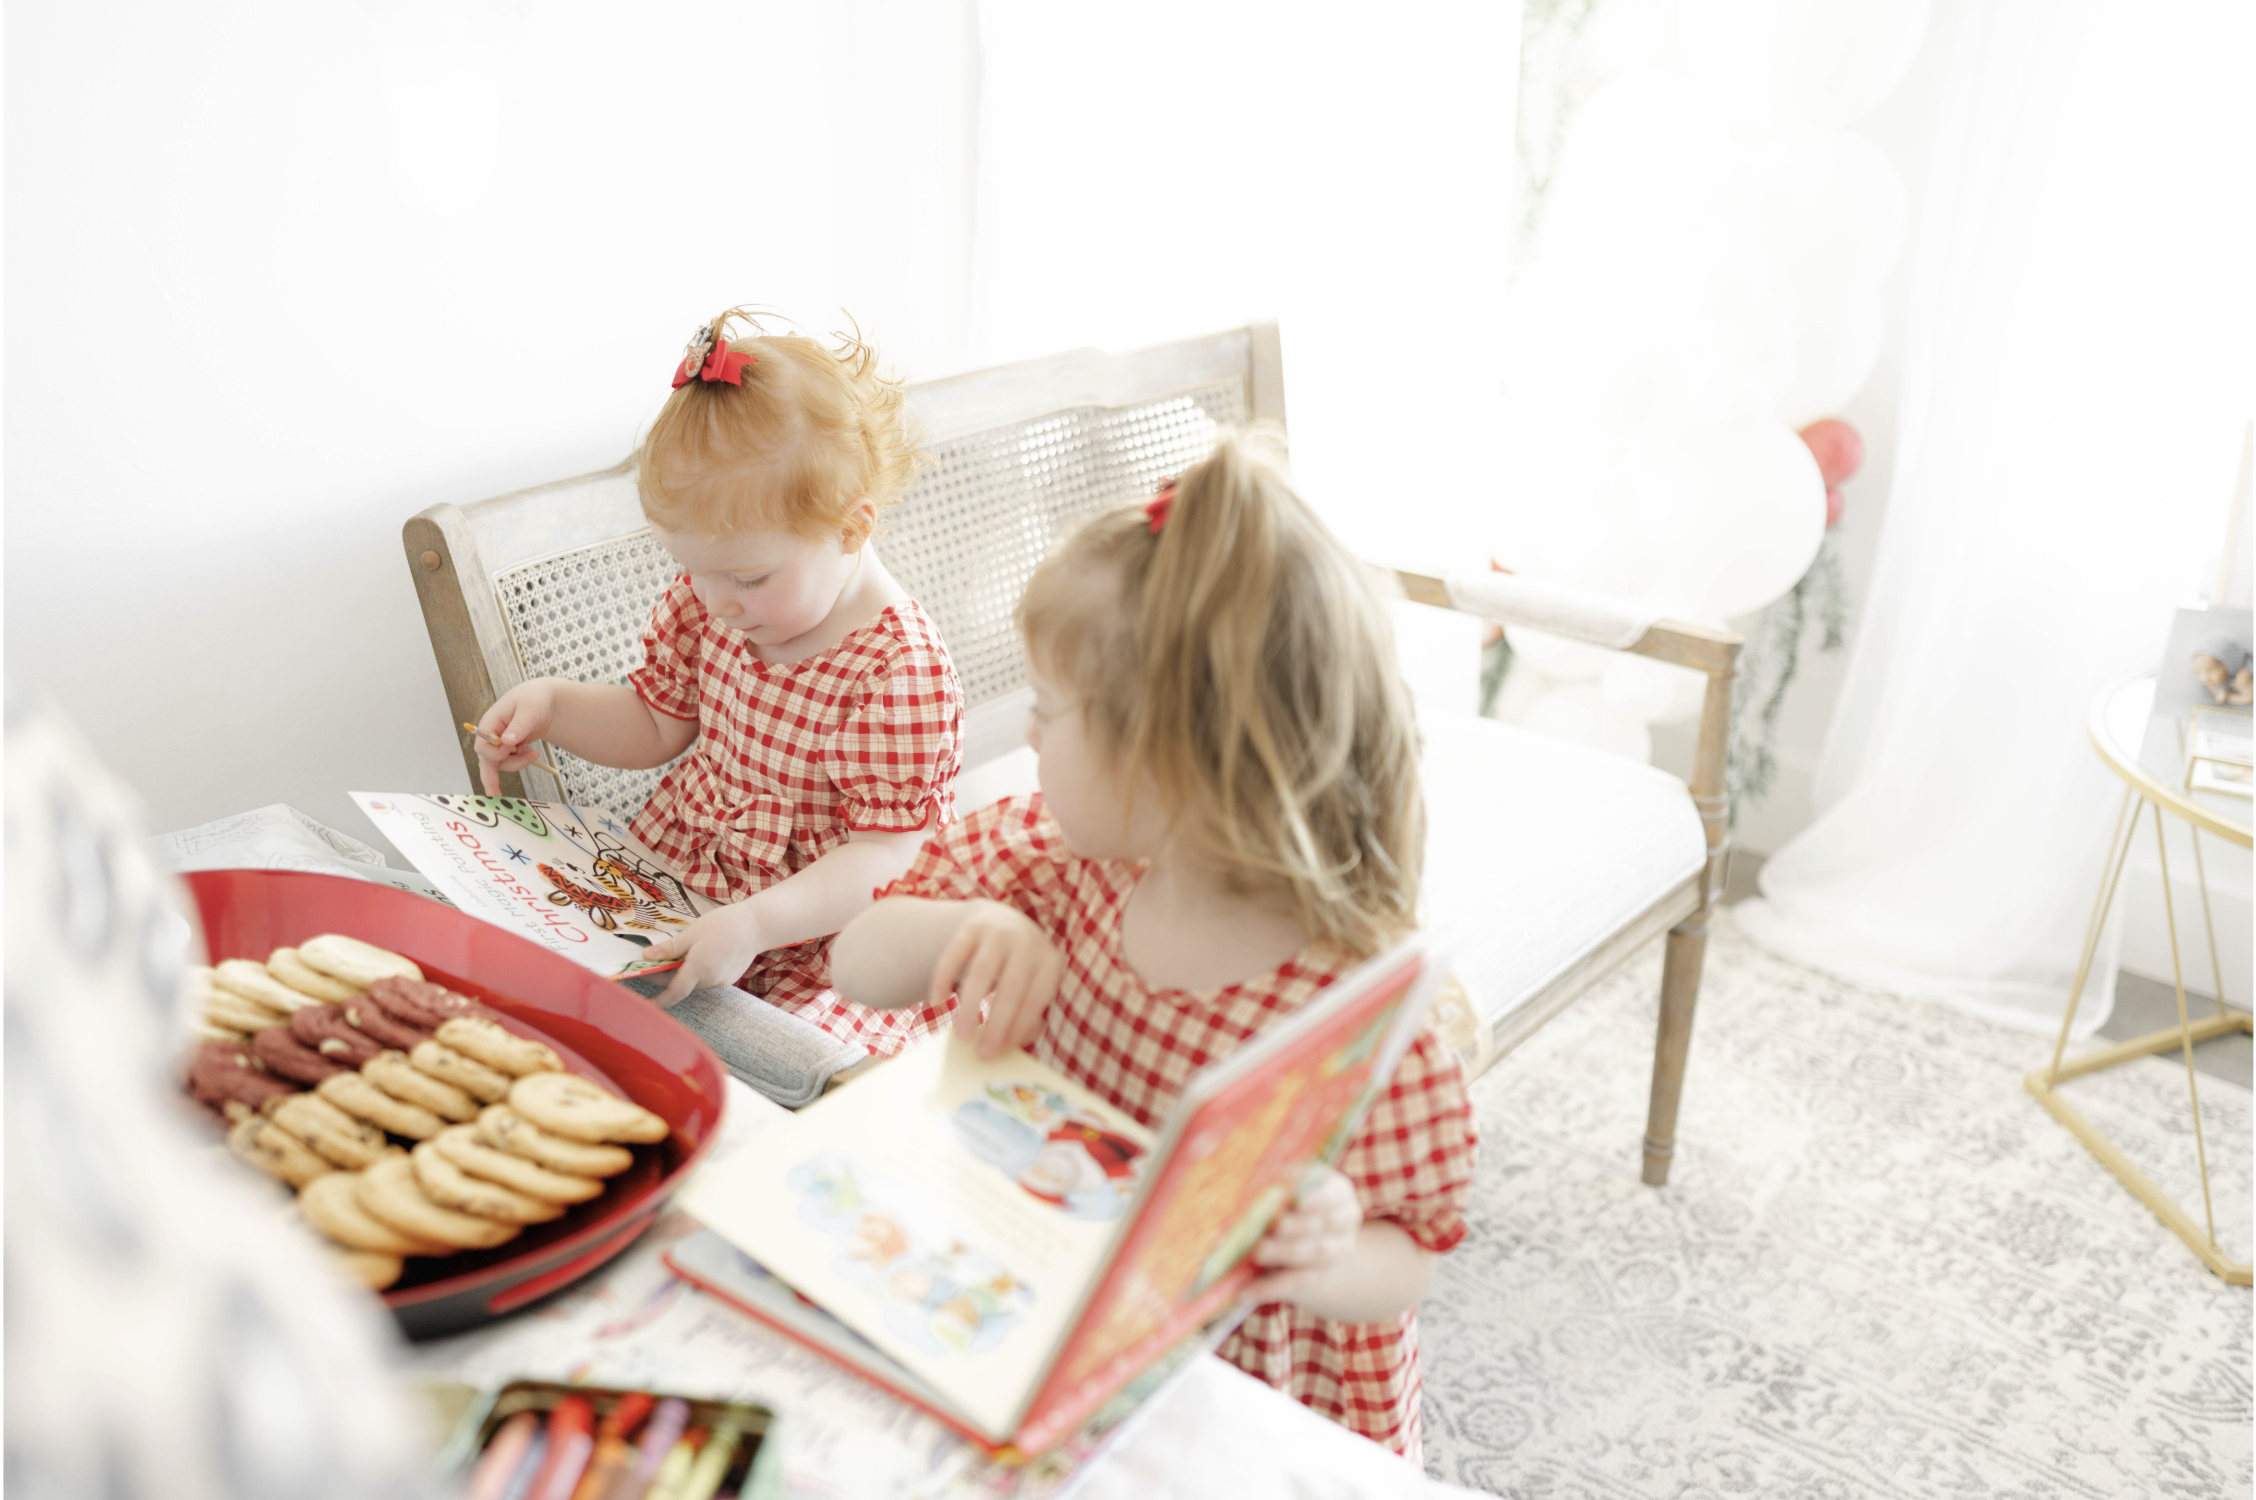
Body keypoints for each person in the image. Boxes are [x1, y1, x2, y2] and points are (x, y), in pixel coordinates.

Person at [828, 433, 1477, 1462]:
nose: (1030, 739)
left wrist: (1326, 1245)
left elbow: (1413, 1257)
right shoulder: (1048, 866)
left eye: (1048, 712)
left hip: (1228, 1409)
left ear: (1169, 758)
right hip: (1039, 1312)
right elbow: (853, 963)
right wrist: (969, 925)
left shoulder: (1349, 1002)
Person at [476, 310, 963, 1054]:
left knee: (793, 1058)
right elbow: (654, 724)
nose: (715, 602)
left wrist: (758, 922)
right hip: (687, 882)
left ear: (850, 530)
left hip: (826, 934)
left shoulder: (898, 670)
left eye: (746, 575)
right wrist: (555, 706)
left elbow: (886, 856)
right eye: (691, 570)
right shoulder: (715, 602)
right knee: (575, 1006)